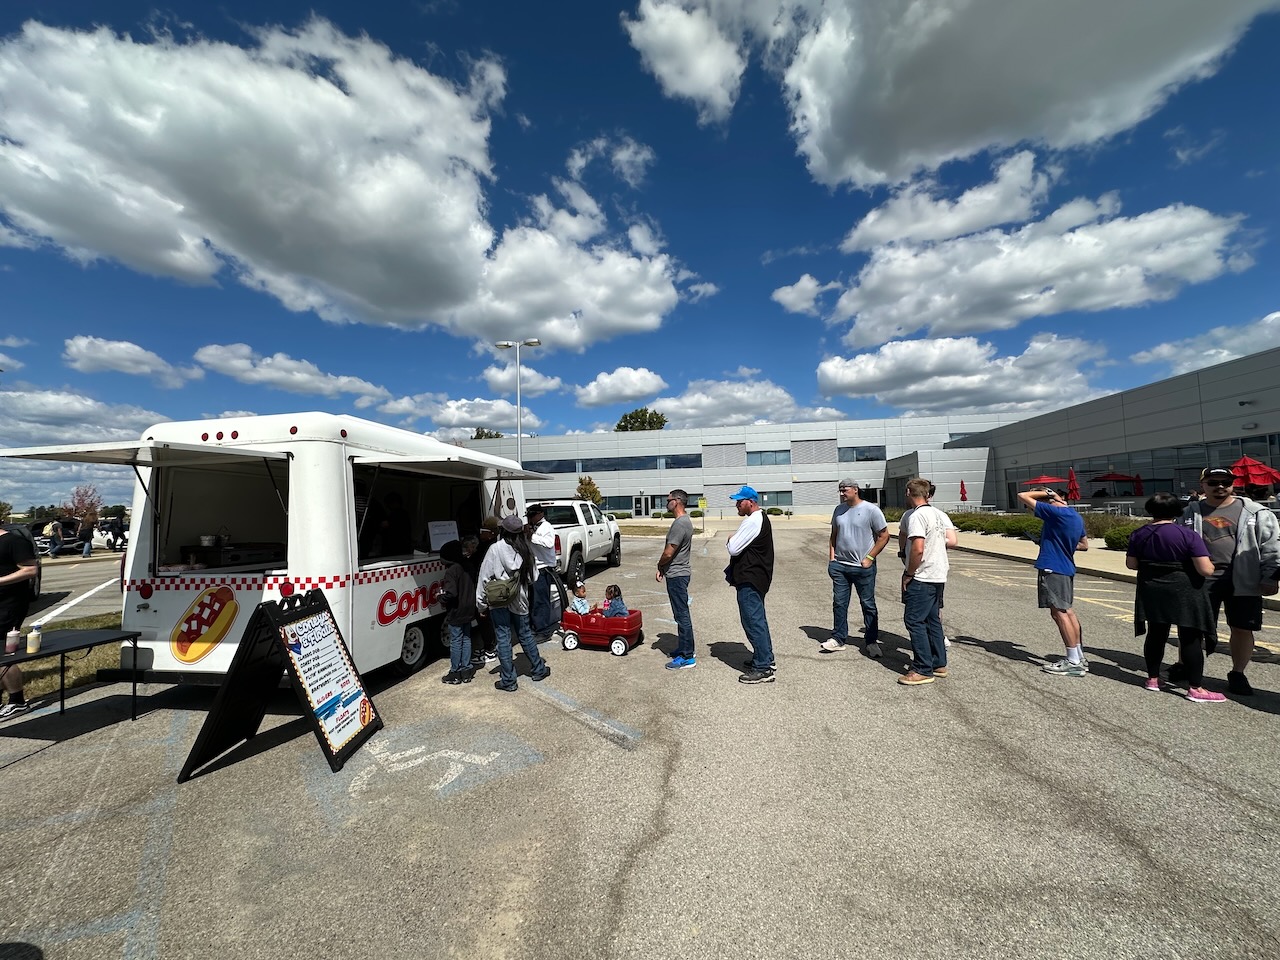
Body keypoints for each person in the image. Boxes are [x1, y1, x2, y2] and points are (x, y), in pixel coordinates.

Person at [1175, 467, 1280, 696]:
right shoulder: (1189, 512)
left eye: (1225, 481)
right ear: (1203, 484)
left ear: (1233, 483)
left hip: (1244, 580)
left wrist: (1271, 576)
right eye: (1213, 482)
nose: (1220, 486)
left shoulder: (1256, 512)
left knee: (1242, 628)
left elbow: (1271, 545)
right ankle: (1186, 666)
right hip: (1201, 580)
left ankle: (1238, 673)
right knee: (1192, 627)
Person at [1126, 493, 1222, 703]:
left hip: (1152, 588)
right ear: (1178, 511)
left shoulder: (1138, 534)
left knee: (1156, 634)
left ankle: (1153, 679)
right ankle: (1195, 688)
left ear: (1150, 511)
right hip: (1184, 589)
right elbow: (1205, 569)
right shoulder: (1187, 535)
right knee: (1190, 637)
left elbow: (1131, 565)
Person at [1017, 485, 1090, 677]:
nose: (1032, 511)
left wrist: (1049, 493)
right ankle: (1079, 656)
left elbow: (1022, 495)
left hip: (1053, 567)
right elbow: (1084, 545)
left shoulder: (1054, 511)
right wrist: (1056, 541)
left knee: (1059, 613)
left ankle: (1072, 661)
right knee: (1068, 611)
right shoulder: (1075, 516)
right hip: (1066, 566)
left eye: (1033, 508)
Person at [474, 514, 550, 692]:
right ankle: (538, 669)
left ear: (503, 531)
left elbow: (484, 578)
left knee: (503, 638)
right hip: (520, 599)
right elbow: (533, 577)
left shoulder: (495, 548)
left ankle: (508, 680)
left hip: (498, 600)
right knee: (525, 634)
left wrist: (481, 604)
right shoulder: (526, 549)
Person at [899, 478, 957, 685]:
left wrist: (909, 572)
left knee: (914, 620)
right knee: (932, 619)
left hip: (922, 575)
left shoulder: (917, 516)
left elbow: (918, 548)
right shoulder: (938, 514)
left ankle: (923, 668)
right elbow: (952, 541)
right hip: (938, 573)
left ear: (908, 492)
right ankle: (938, 662)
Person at [823, 479, 890, 656]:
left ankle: (871, 641)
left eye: (844, 490)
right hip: (840, 566)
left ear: (855, 490)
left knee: (868, 604)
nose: (841, 493)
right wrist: (832, 559)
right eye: (840, 490)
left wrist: (869, 557)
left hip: (863, 568)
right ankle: (838, 638)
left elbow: (884, 536)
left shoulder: (871, 510)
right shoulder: (839, 510)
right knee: (839, 603)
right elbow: (833, 535)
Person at [725, 485, 776, 684]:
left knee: (753, 622)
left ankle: (763, 668)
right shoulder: (756, 519)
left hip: (750, 579)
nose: (737, 505)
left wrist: (730, 539)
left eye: (740, 501)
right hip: (754, 578)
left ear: (751, 502)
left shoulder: (754, 521)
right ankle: (765, 658)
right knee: (757, 621)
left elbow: (734, 548)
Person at [0, 525, 39, 719]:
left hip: (10, 606)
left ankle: (17, 701)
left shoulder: (14, 542)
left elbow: (31, 570)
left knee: (3, 654)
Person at [656, 488, 697, 670]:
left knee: (682, 615)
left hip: (677, 575)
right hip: (678, 573)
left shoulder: (680, 524)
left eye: (668, 500)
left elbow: (669, 552)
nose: (666, 503)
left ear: (677, 501)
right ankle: (684, 648)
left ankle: (688, 656)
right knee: (680, 614)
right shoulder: (684, 522)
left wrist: (660, 566)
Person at [438, 539, 477, 685]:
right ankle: (466, 670)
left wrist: (440, 597)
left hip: (457, 609)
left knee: (456, 640)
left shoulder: (451, 571)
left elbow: (451, 593)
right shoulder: (468, 565)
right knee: (466, 638)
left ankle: (455, 672)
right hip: (469, 607)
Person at [468, 517, 501, 666]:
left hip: (487, 589)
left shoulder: (490, 548)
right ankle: (492, 646)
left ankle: (490, 649)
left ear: (492, 533)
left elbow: (483, 573)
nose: (480, 533)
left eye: (483, 531)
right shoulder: (488, 545)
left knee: (484, 619)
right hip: (490, 589)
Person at [525, 503, 557, 642]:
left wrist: (532, 536)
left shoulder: (546, 527)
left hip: (544, 568)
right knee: (533, 599)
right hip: (534, 568)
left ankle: (543, 631)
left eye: (532, 516)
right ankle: (535, 626)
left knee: (541, 600)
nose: (530, 519)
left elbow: (549, 543)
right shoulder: (533, 527)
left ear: (540, 514)